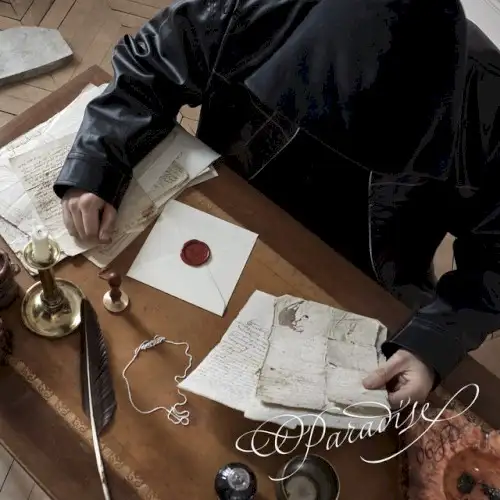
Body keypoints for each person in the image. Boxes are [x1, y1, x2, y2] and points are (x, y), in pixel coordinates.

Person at [53, 0, 500, 407]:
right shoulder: (259, 6)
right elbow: (153, 63)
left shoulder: (487, 97)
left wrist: (433, 341)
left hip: (364, 282)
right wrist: (99, 157)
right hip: (220, 219)